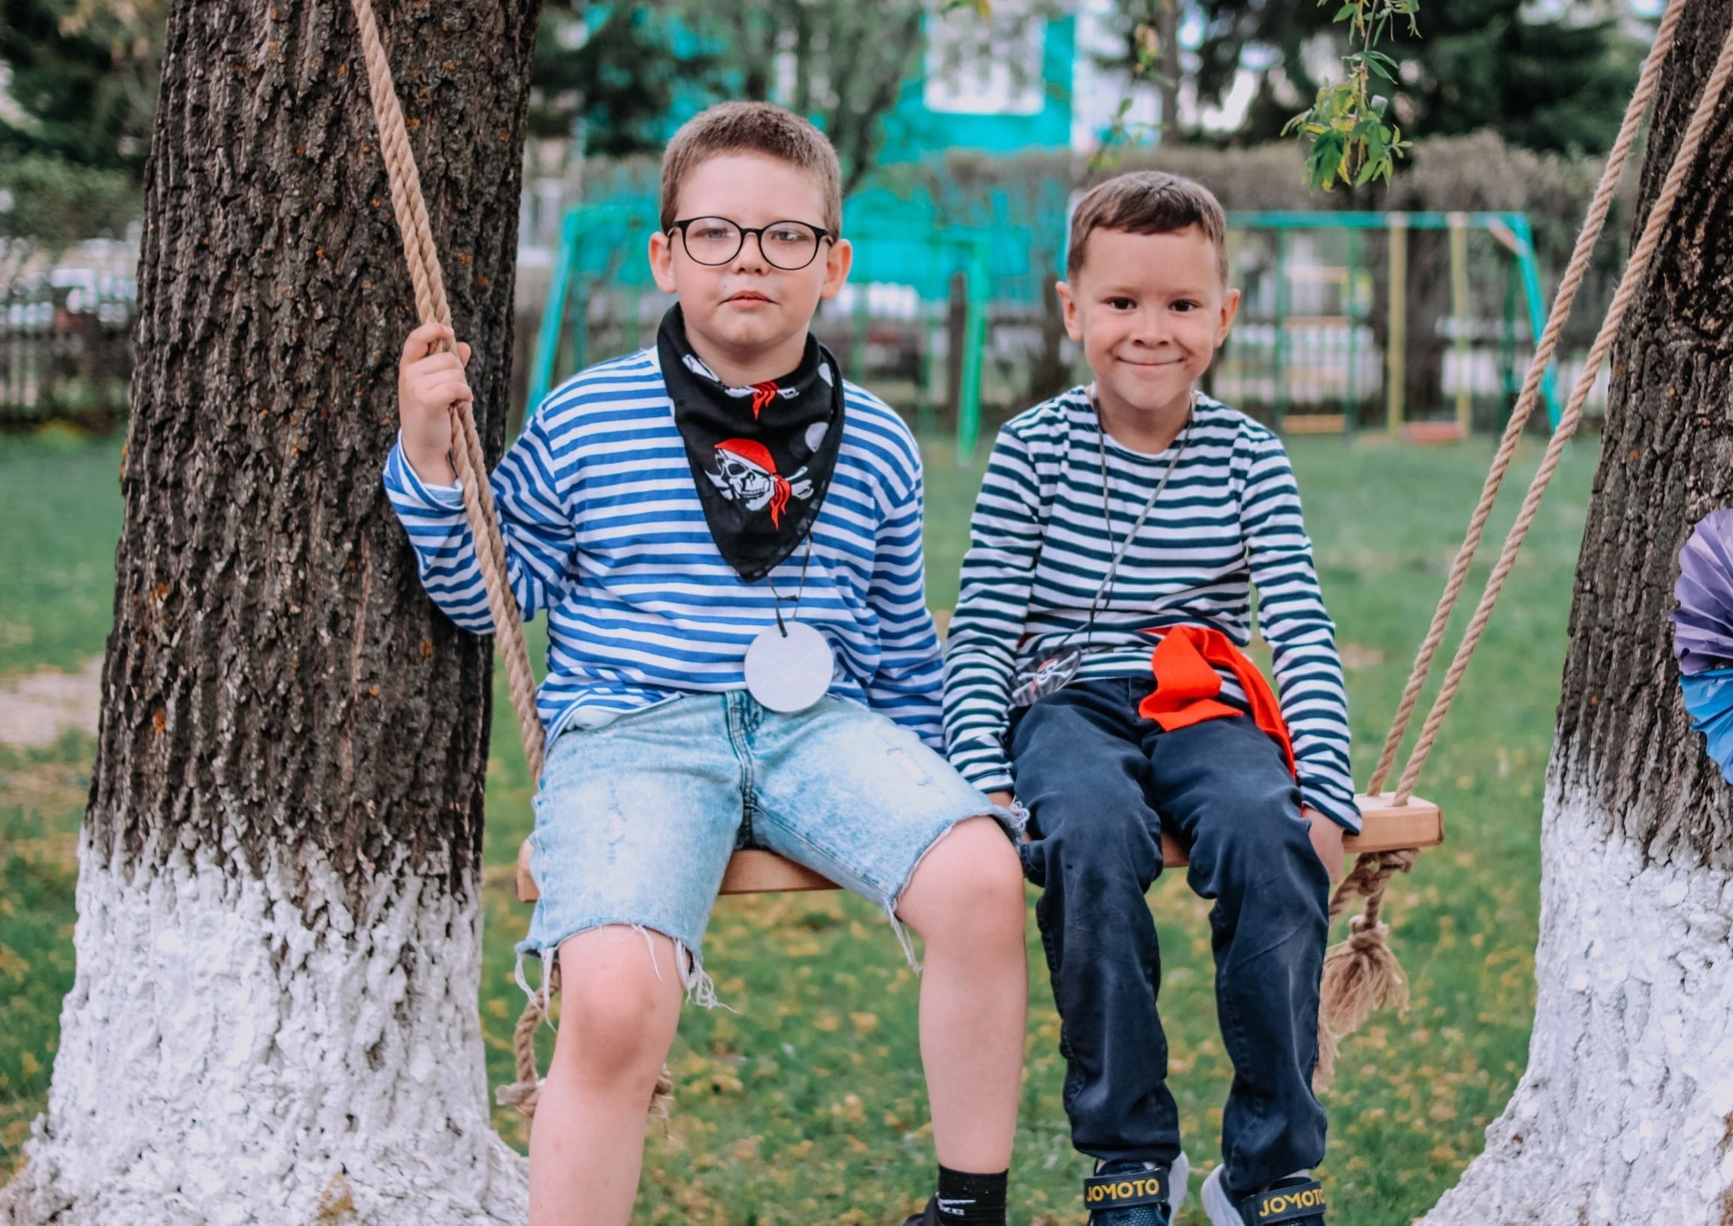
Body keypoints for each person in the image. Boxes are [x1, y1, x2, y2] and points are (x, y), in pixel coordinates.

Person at [386, 101, 1027, 1226]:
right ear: (665, 255)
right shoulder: (588, 417)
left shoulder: (878, 439)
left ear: (833, 264)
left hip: (821, 728)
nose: (750, 260)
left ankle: (968, 1207)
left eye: (786, 236)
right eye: (716, 232)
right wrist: (430, 459)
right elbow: (490, 592)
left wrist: (953, 781)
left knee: (981, 875)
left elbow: (898, 645)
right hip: (634, 733)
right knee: (618, 1001)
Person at [943, 171, 1354, 1226]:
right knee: (1087, 832)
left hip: (1199, 698)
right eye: (1122, 301)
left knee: (1270, 835)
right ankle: (1128, 1150)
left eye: (1181, 304)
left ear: (1224, 314)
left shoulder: (1251, 457)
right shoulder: (1031, 451)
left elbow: (1299, 625)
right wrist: (985, 778)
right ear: (1072, 309)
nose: (1151, 330)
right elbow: (981, 630)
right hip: (1065, 700)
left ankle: (1268, 1166)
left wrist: (1327, 788)